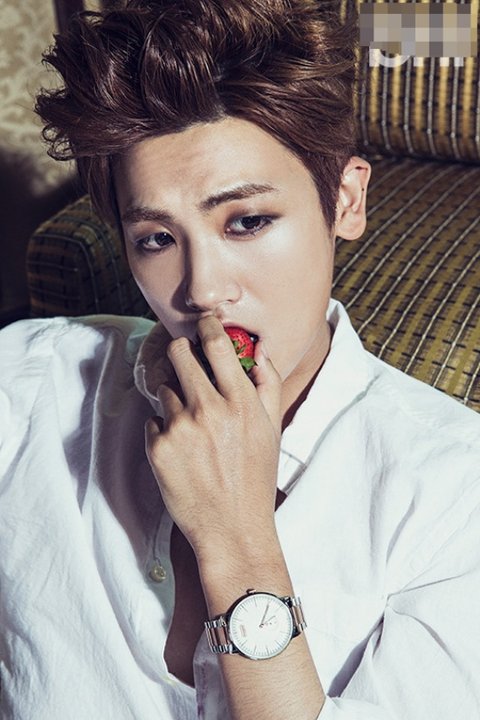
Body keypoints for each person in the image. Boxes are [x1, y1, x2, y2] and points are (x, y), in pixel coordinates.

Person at [1, 1, 479, 718]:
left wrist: (236, 540)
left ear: (346, 201)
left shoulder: (454, 497)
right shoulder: (37, 382)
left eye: (247, 222)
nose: (202, 290)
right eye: (156, 239)